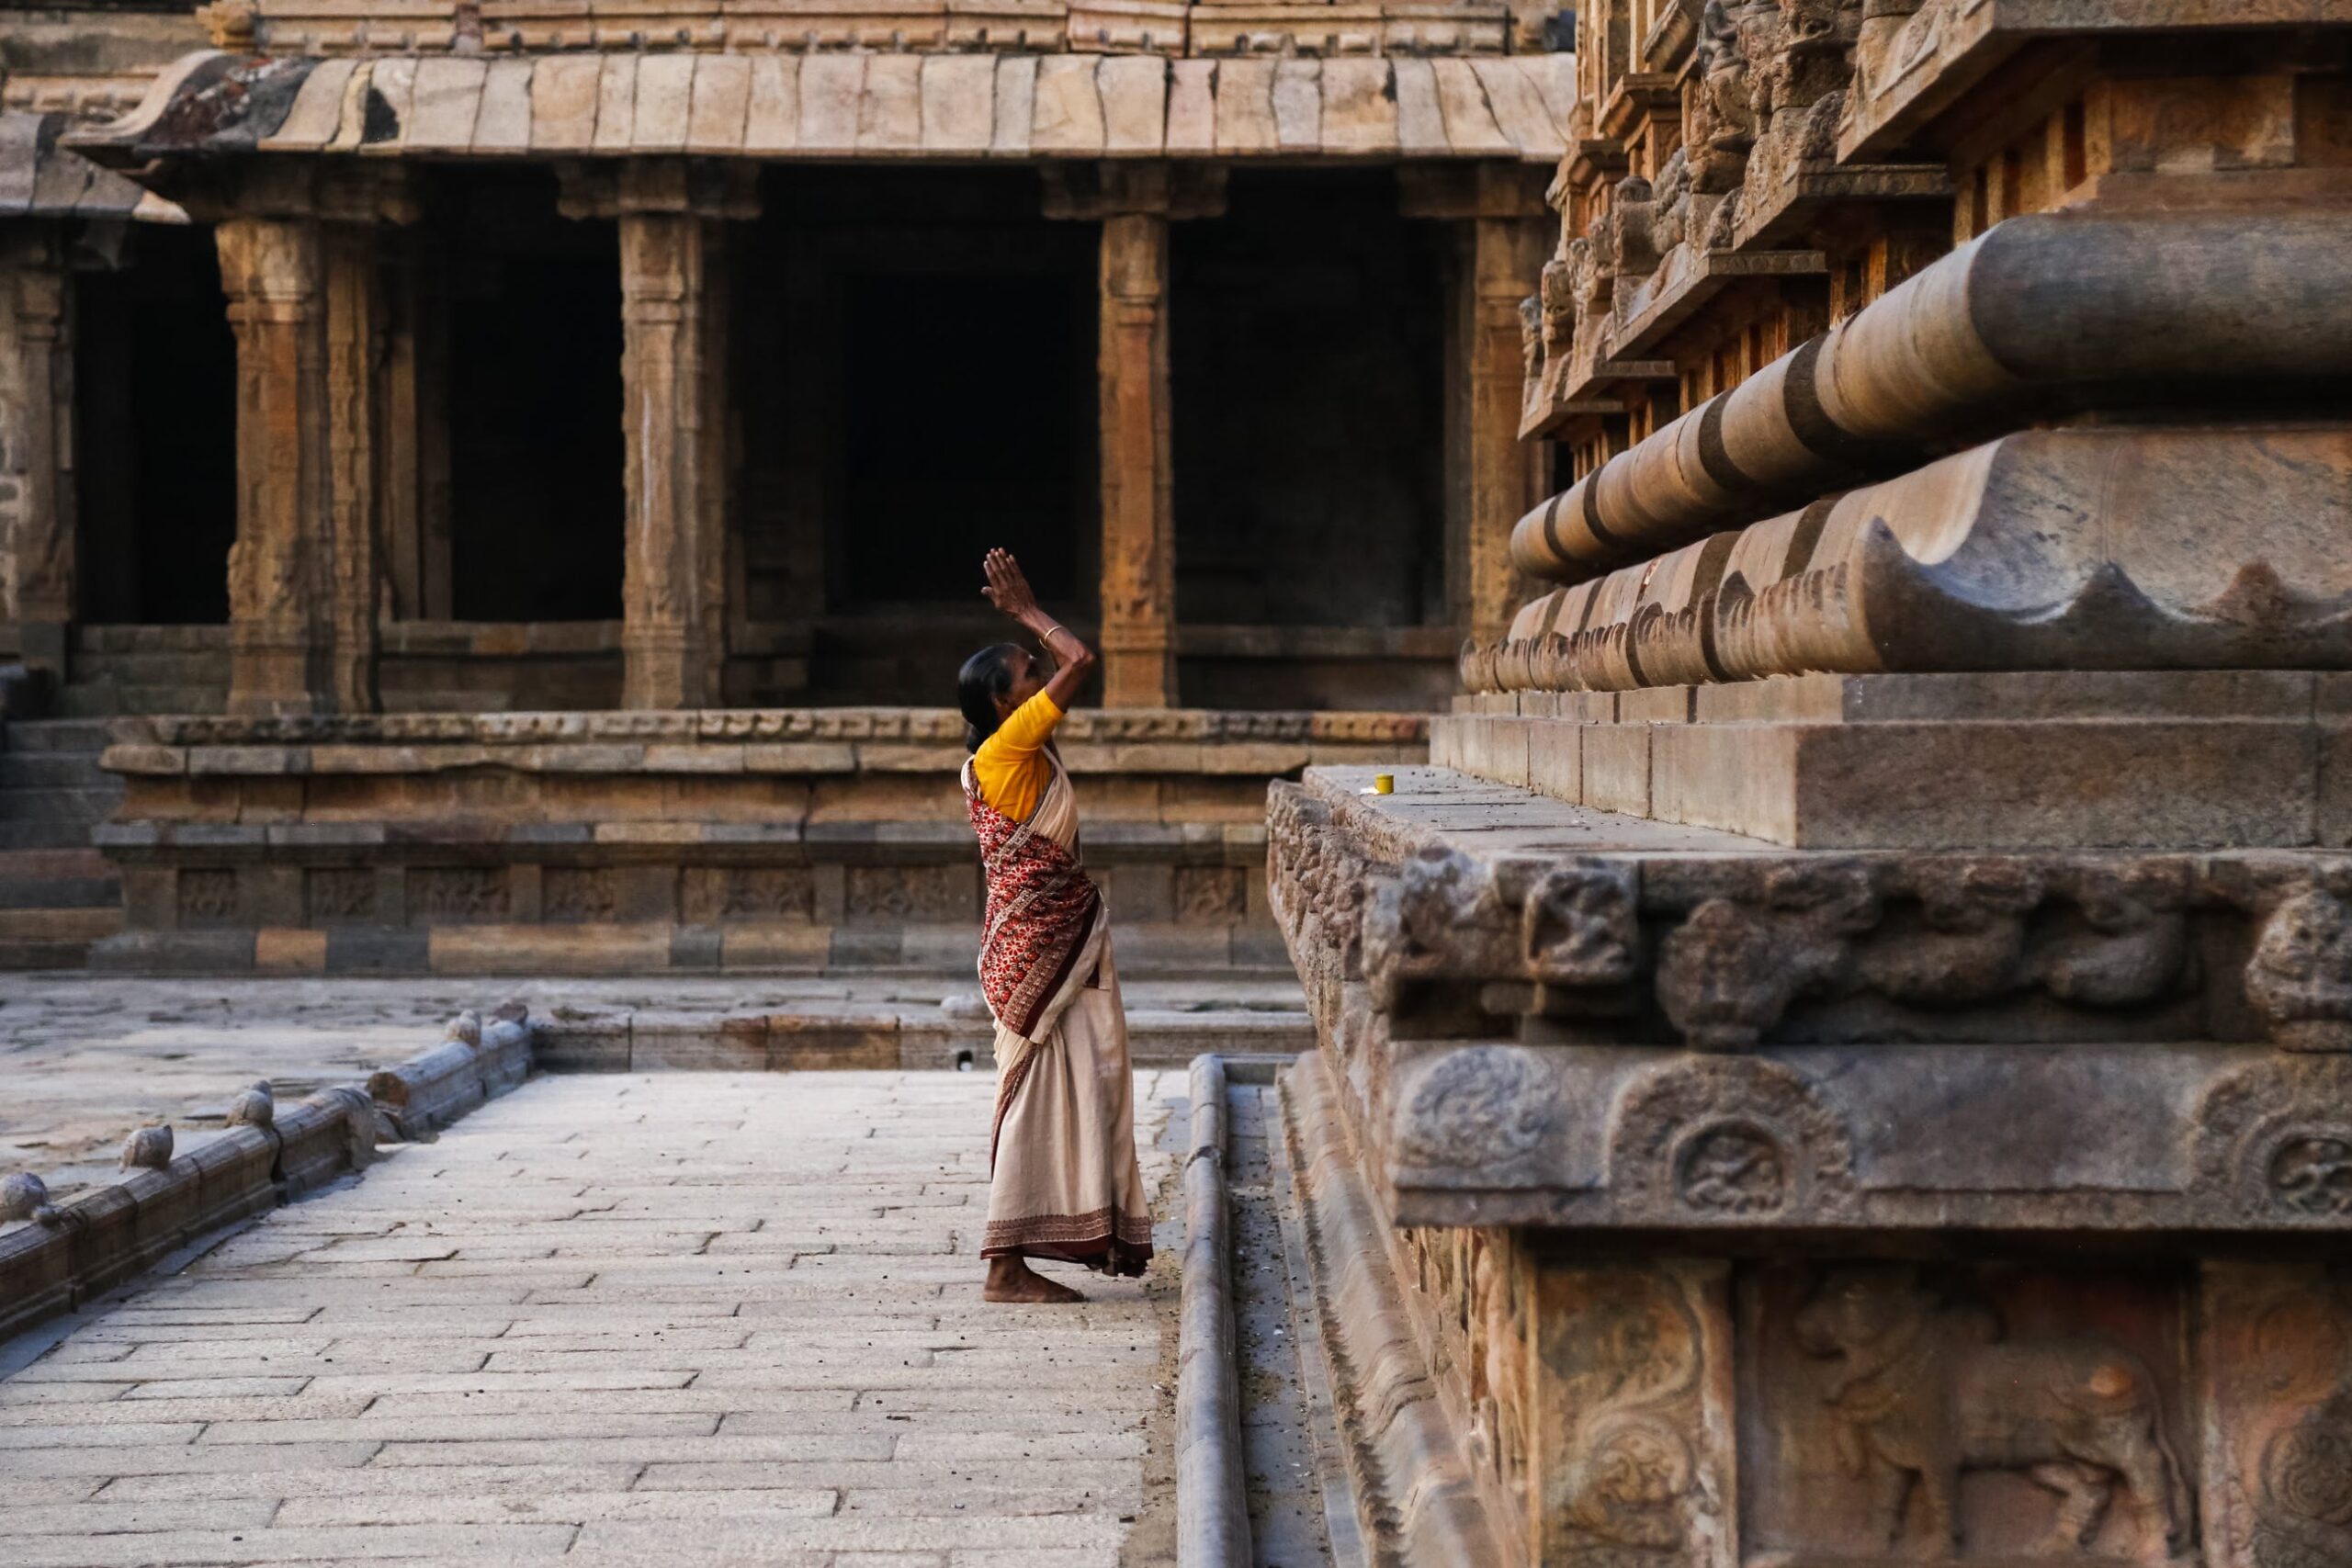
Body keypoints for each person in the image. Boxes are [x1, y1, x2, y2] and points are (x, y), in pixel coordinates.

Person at [956, 547, 1154, 1303]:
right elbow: (1082, 656)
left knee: (1080, 1079)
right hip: (1042, 946)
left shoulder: (1007, 751)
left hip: (1042, 942)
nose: (1043, 678)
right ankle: (1006, 1266)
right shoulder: (1009, 746)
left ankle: (1068, 1230)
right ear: (1007, 705)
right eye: (1028, 677)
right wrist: (1030, 615)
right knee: (1039, 1090)